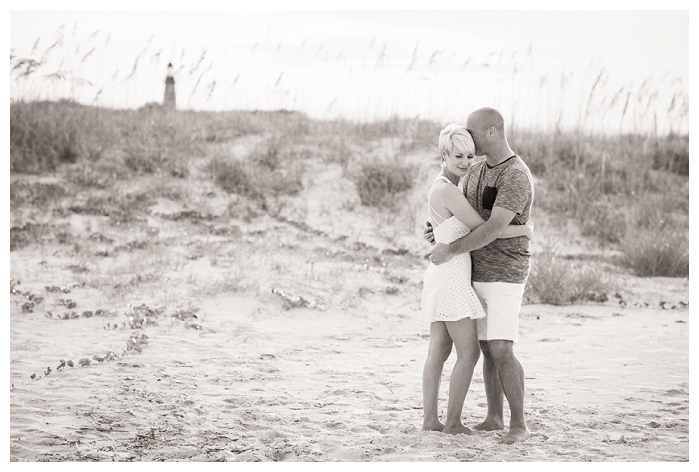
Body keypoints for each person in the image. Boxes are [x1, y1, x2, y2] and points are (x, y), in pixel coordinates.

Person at [425, 108, 535, 444]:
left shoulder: (515, 175)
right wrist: (438, 231)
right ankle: (494, 417)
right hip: (470, 273)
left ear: (490, 131)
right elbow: (464, 218)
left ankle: (518, 424)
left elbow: (490, 229)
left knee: (501, 348)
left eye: (472, 134)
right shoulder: (474, 171)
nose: (468, 141)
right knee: (486, 349)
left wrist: (450, 246)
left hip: (504, 274)